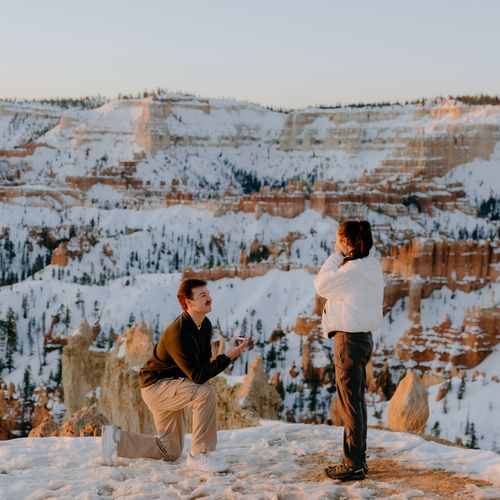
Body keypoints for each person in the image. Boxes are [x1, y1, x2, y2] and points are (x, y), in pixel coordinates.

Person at [101, 278, 247, 472]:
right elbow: (198, 376)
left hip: (172, 386)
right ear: (188, 302)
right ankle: (199, 455)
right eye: (203, 295)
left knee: (170, 450)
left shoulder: (204, 326)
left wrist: (226, 355)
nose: (209, 298)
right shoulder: (178, 333)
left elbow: (202, 367)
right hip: (156, 387)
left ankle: (116, 439)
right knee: (205, 393)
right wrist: (227, 357)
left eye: (208, 293)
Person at [314, 220, 383, 481]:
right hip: (361, 339)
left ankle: (353, 462)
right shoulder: (370, 266)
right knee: (356, 401)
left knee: (350, 403)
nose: (335, 244)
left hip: (349, 342)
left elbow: (321, 286)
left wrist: (335, 255)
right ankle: (358, 459)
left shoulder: (353, 269)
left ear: (346, 241)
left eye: (337, 240)